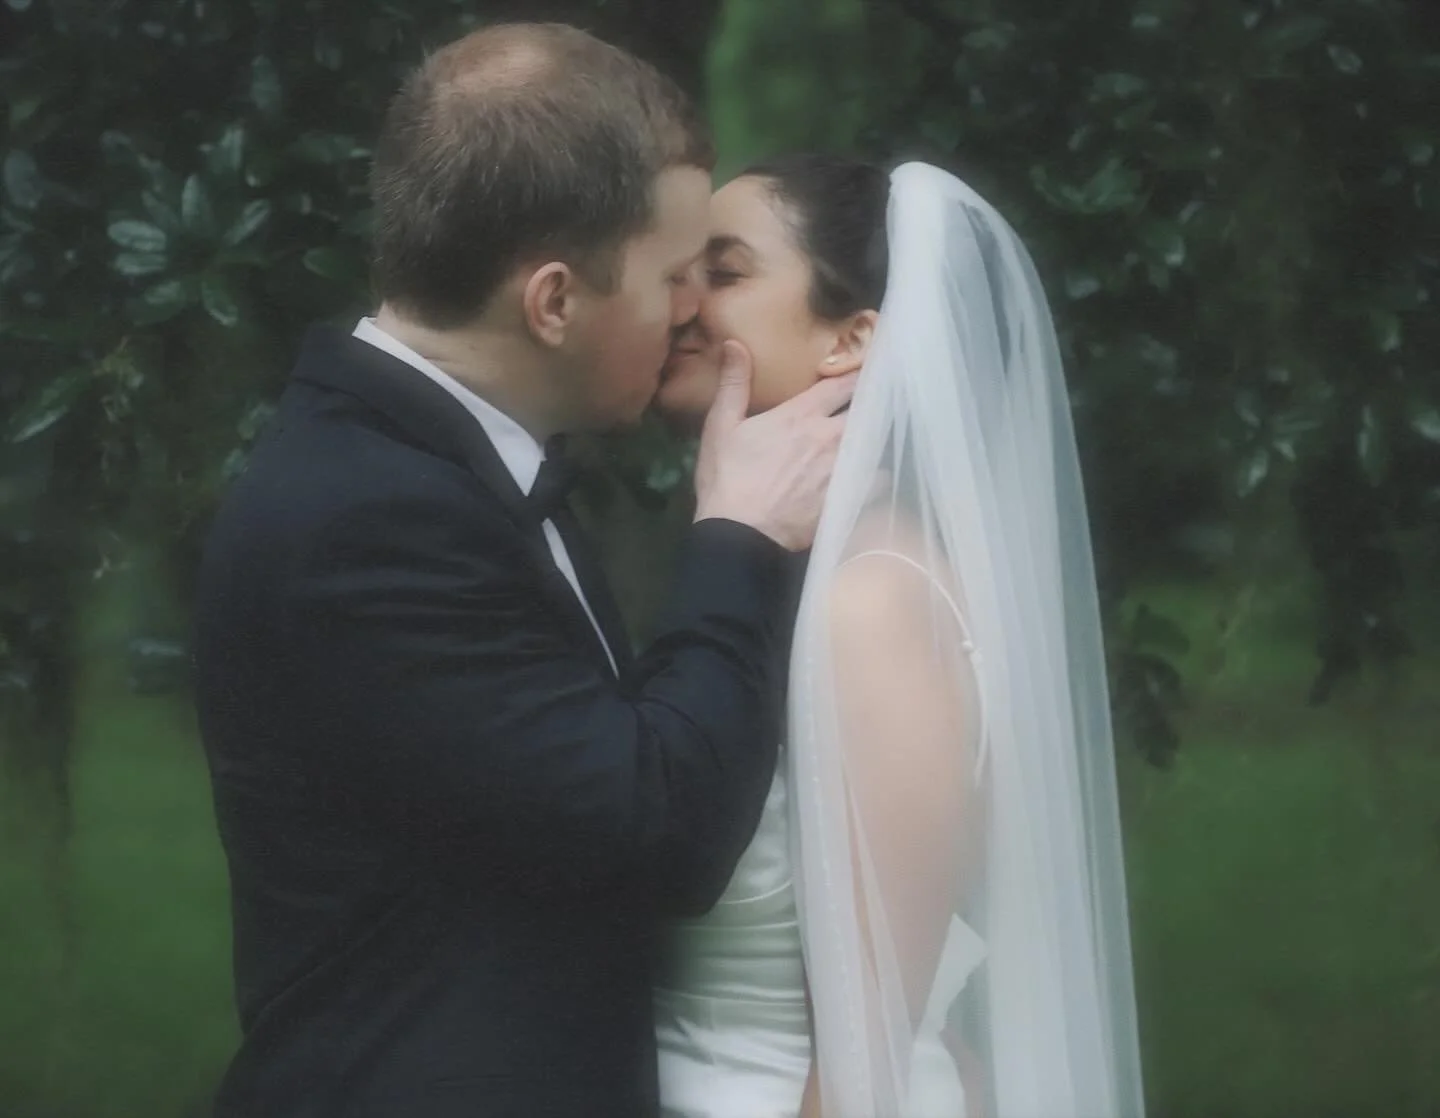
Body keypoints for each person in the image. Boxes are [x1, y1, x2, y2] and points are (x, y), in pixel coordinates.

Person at [192, 26, 855, 1118]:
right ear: (552, 301)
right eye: (673, 274)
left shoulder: (442, 465)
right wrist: (734, 532)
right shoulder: (365, 515)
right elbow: (662, 834)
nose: (694, 307)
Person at [652, 154, 1146, 1117]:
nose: (678, 302)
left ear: (851, 338)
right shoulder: (803, 579)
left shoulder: (874, 604)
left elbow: (865, 1057)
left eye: (724, 271)